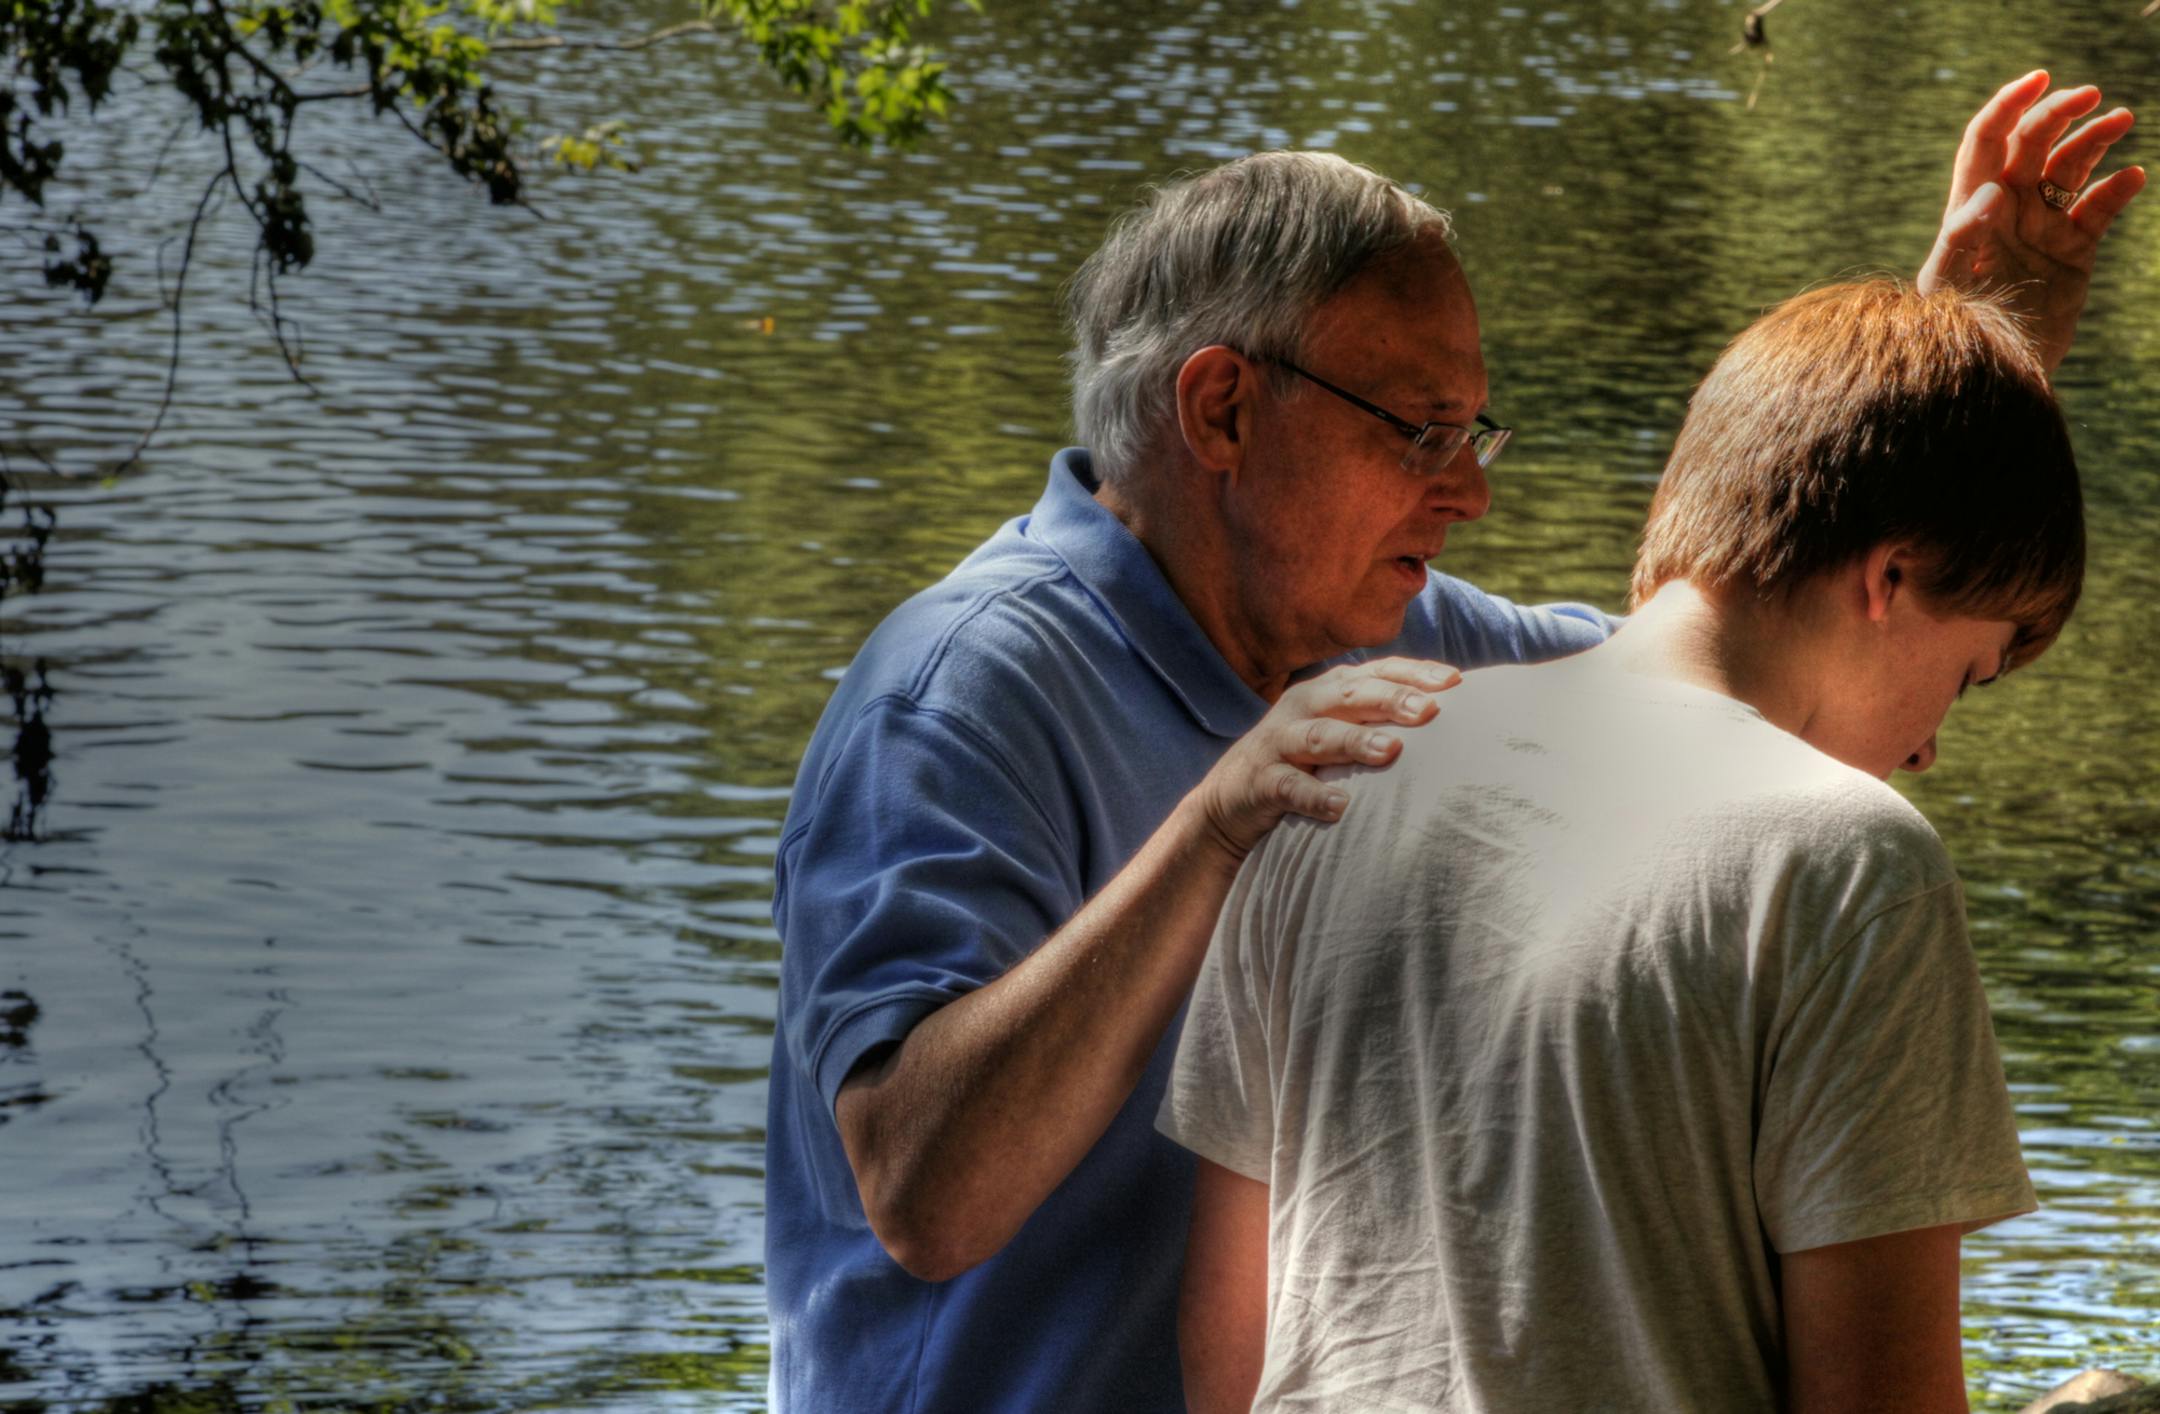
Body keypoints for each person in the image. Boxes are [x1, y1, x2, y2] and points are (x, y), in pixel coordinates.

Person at [764, 73, 2143, 1411]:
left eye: (1475, 428)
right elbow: (920, 1194)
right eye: (1422, 430)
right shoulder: (956, 693)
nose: (1471, 489)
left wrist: (1949, 373)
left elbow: (1745, 654)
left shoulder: (1395, 632)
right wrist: (1212, 834)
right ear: (1222, 408)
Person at [1162, 279, 2080, 1412]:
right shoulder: (1850, 862)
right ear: (1888, 579)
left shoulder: (1339, 767)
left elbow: (1226, 1342)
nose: (1931, 747)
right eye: (1966, 675)